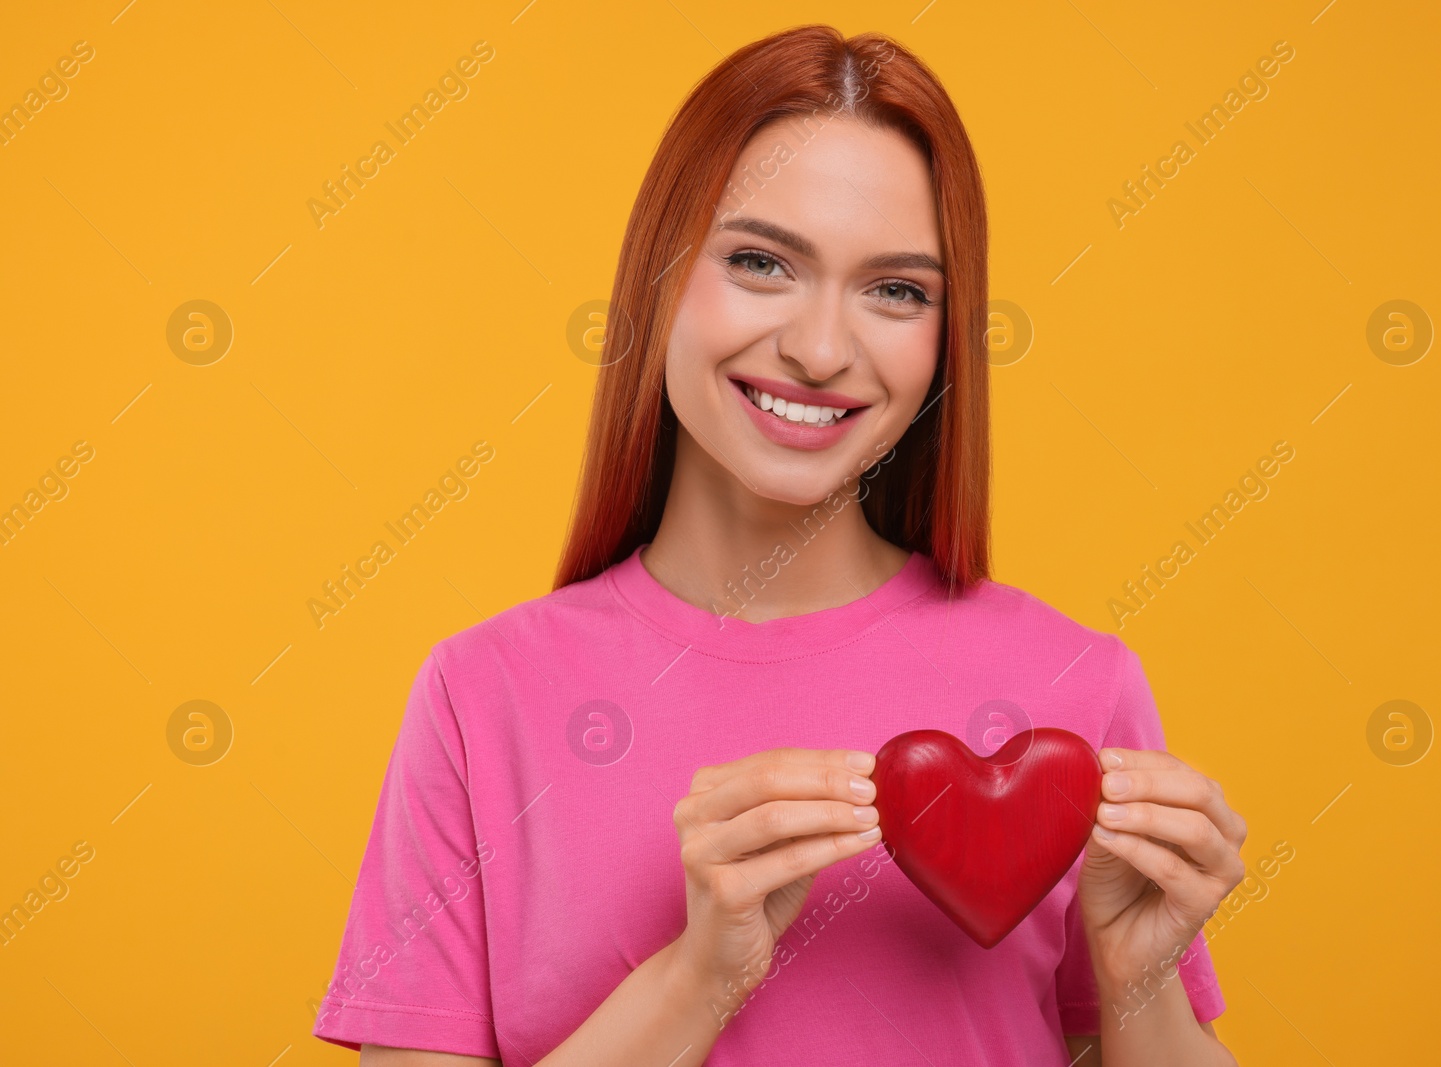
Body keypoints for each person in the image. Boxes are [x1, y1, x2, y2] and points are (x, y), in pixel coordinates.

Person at [312, 23, 1246, 1067]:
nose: (817, 347)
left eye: (897, 289)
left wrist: (1141, 980)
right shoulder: (483, 697)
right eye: (762, 262)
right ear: (660, 276)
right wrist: (696, 976)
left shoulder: (1079, 688)